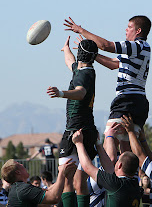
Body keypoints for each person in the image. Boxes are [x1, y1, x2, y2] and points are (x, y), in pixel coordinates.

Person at [64, 16, 152, 158]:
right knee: (126, 146)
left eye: (129, 27)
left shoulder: (137, 45)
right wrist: (91, 53)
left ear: (138, 31)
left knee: (110, 136)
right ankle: (131, 177)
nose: (126, 29)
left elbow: (106, 45)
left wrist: (81, 30)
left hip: (127, 100)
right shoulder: (139, 50)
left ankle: (109, 176)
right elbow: (113, 63)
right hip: (139, 102)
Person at [46, 37, 99, 207]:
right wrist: (66, 49)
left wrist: (61, 93)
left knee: (67, 177)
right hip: (89, 130)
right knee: (80, 181)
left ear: (80, 54)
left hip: (75, 130)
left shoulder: (83, 75)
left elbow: (81, 92)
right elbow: (70, 62)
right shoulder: (85, 70)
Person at [72, 127, 141, 207]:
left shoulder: (116, 184)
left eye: (117, 161)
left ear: (119, 165)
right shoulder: (134, 184)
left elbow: (87, 167)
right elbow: (109, 168)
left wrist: (78, 143)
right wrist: (98, 144)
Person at [1, 158, 76, 207]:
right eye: (19, 164)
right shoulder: (23, 189)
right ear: (18, 172)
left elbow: (46, 191)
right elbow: (54, 197)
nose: (22, 164)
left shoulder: (17, 188)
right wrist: (61, 172)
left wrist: (64, 178)